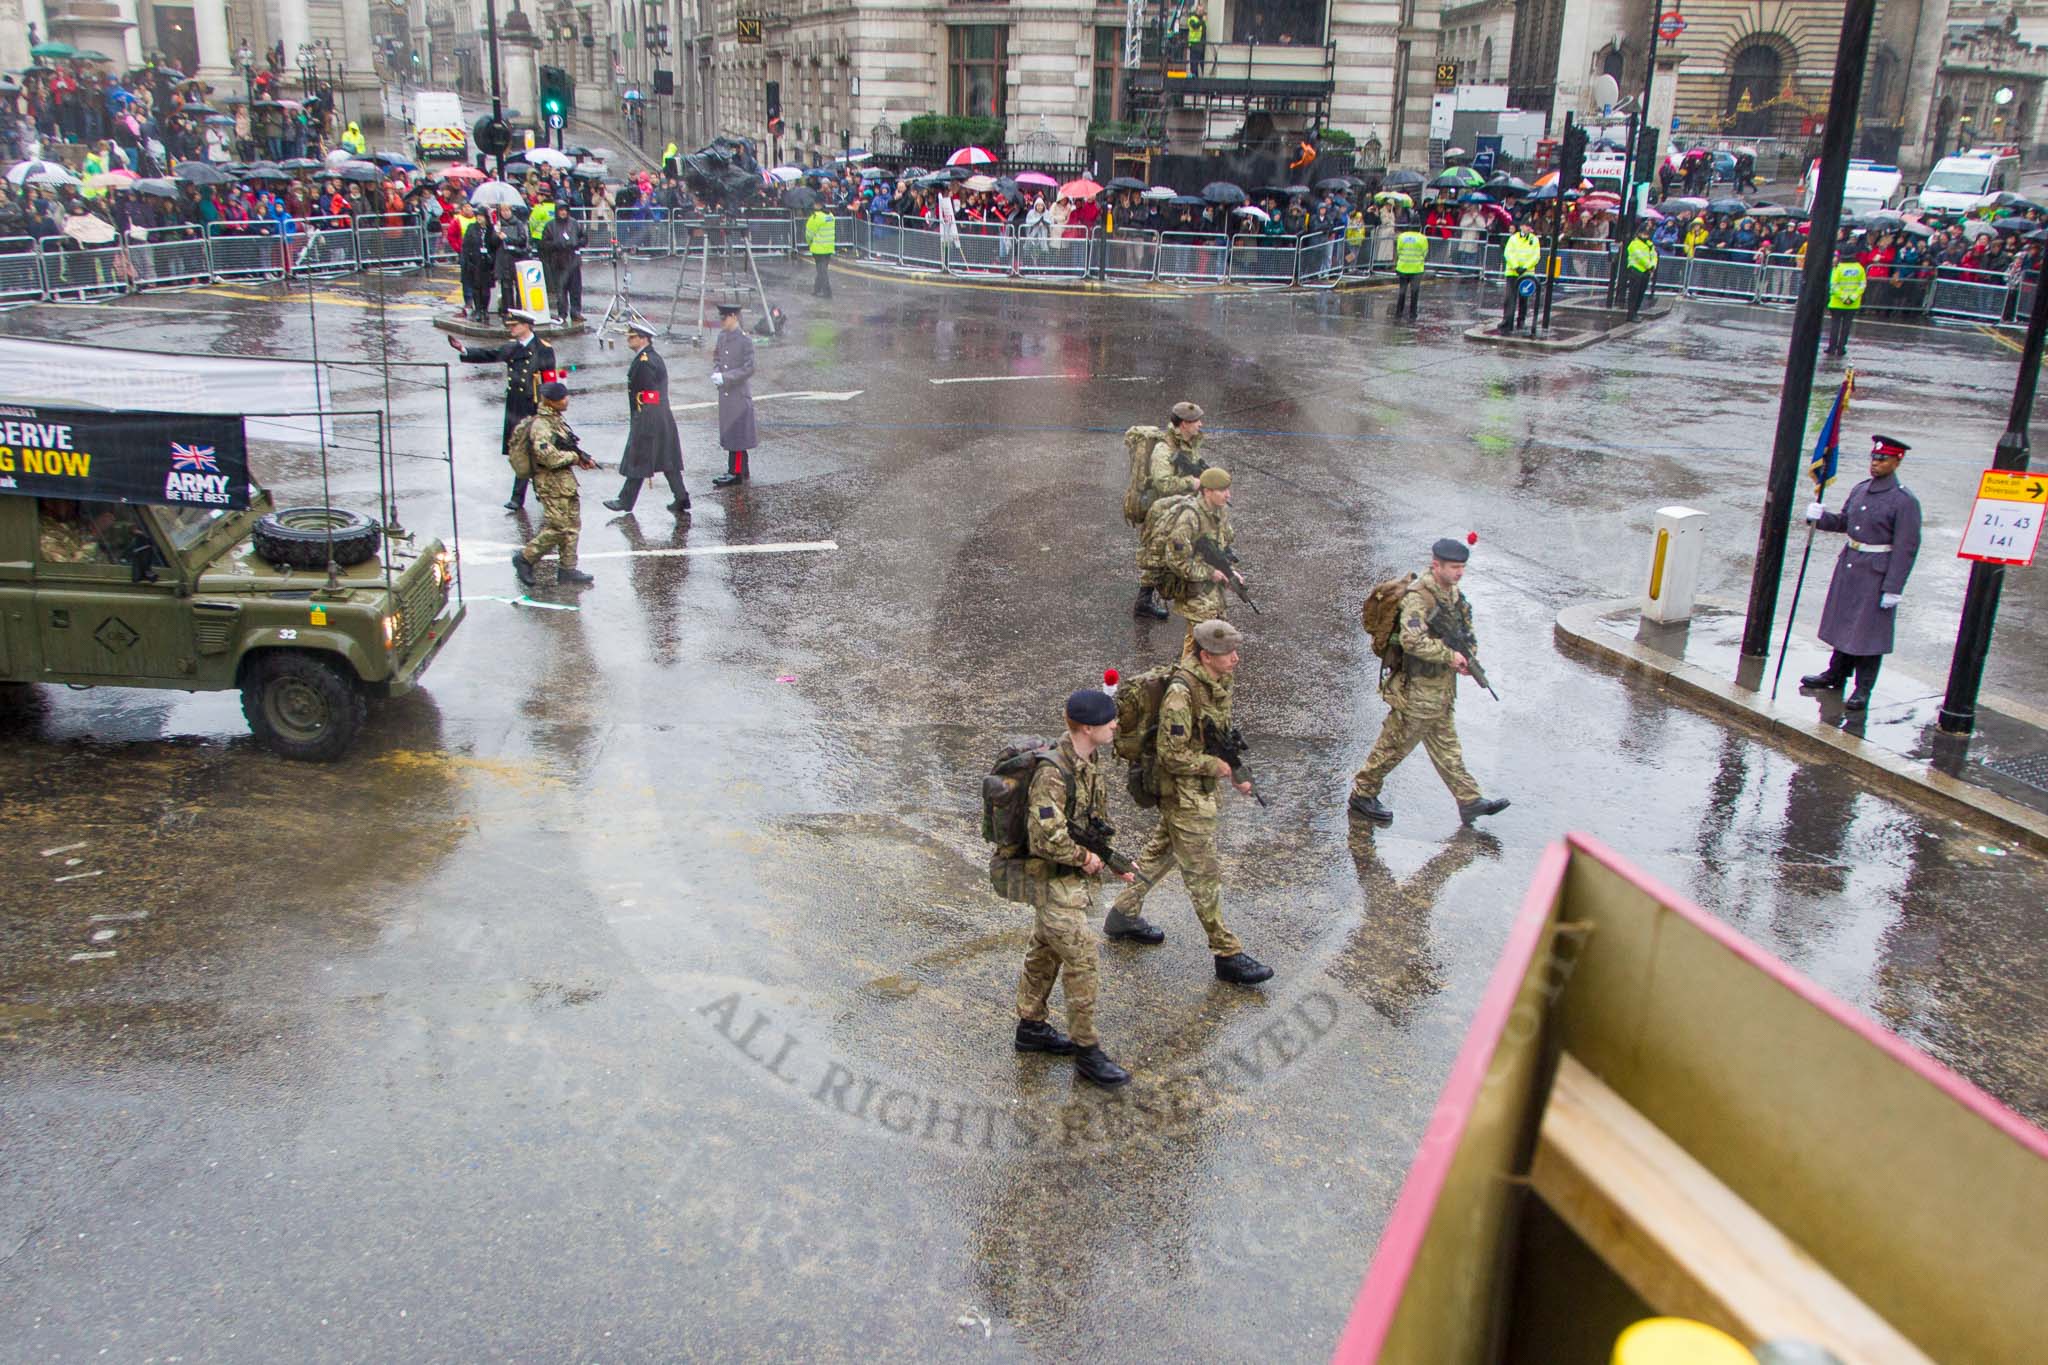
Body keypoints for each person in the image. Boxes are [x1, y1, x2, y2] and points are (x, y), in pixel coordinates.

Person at [1106, 619, 1273, 985]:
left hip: (1196, 788)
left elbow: (1216, 735)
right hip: (1182, 792)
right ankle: (1226, 952)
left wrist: (1235, 771)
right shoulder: (1181, 694)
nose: (1235, 658)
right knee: (1203, 873)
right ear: (1205, 655)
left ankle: (1122, 913)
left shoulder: (1215, 681)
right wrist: (1217, 767)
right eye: (1227, 653)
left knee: (1163, 851)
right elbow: (1170, 755)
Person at [1009, 688, 1139, 1088]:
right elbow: (1045, 838)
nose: (1116, 724)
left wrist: (1112, 860)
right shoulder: (1053, 773)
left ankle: (1031, 1028)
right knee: (1082, 960)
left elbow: (1085, 825)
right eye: (1109, 721)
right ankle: (1087, 1051)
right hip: (1051, 881)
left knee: (1046, 950)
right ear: (1087, 727)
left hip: (1069, 880)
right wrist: (1086, 859)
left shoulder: (1088, 758)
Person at [1347, 537, 1510, 827]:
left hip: (1442, 690)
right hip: (1418, 690)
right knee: (1394, 745)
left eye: (1462, 567)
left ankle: (1469, 800)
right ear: (1436, 565)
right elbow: (1412, 641)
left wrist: (1468, 658)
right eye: (1454, 567)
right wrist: (1449, 656)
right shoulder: (1418, 598)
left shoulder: (1455, 597)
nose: (1459, 573)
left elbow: (1466, 632)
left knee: (1447, 747)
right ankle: (1363, 793)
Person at [1799, 435, 1923, 711]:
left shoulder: (1904, 501)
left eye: (1883, 459)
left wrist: (1894, 587)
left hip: (1876, 572)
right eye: (1874, 458)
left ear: (1896, 461)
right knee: (1844, 625)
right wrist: (1819, 517)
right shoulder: (1861, 490)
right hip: (1851, 565)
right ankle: (1836, 674)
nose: (1876, 463)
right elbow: (1845, 522)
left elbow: (1906, 548)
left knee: (1868, 635)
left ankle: (1863, 688)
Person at [449, 309, 559, 510]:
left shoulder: (543, 349)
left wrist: (550, 407)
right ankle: (526, 495)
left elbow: (550, 380)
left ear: (526, 326)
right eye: (510, 326)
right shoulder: (512, 348)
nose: (511, 329)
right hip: (515, 404)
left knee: (534, 450)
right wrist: (464, 350)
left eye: (514, 325)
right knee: (519, 450)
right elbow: (490, 354)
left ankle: (531, 494)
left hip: (533, 404)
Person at [1143, 467, 1236, 660]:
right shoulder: (1190, 517)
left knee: (1215, 635)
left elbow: (1220, 548)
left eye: (1228, 489)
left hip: (1210, 588)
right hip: (1191, 586)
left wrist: (1231, 572)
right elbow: (1176, 560)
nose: (1228, 494)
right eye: (1222, 490)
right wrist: (1211, 573)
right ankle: (1184, 682)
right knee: (1199, 642)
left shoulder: (1220, 512)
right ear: (1207, 491)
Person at [509, 381, 596, 587]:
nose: (567, 400)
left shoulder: (556, 420)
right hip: (550, 484)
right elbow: (548, 457)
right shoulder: (541, 425)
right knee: (558, 527)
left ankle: (568, 569)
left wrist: (580, 457)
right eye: (563, 397)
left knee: (572, 526)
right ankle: (525, 558)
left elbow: (567, 446)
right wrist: (573, 458)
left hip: (565, 482)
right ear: (552, 401)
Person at [1133, 401, 1209, 620]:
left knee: (1173, 552)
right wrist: (1191, 483)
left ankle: (1150, 599)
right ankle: (1144, 602)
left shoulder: (1189, 443)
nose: (1200, 425)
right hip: (1162, 509)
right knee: (1155, 555)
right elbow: (1162, 483)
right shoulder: (1163, 449)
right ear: (1184, 424)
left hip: (1181, 506)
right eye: (1196, 421)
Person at [604, 320, 689, 515]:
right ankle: (681, 497)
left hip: (649, 416)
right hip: (659, 416)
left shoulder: (645, 361)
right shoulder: (649, 357)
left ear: (644, 339)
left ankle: (625, 501)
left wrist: (643, 419)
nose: (629, 339)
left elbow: (650, 393)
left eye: (632, 337)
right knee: (667, 460)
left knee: (640, 459)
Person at [710, 302, 758, 487]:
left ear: (734, 317)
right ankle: (741, 469)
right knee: (731, 432)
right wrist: (717, 372)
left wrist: (727, 377)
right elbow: (717, 358)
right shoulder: (722, 337)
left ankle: (735, 472)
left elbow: (749, 368)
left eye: (724, 318)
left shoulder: (745, 340)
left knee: (738, 435)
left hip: (738, 395)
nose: (722, 321)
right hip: (726, 395)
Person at [1498, 222, 1540, 333]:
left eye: (1529, 226)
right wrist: (1516, 266)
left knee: (1524, 298)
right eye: (1526, 226)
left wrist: (1525, 267)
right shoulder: (1513, 238)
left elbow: (1536, 256)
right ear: (1521, 226)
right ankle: (1507, 321)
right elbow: (1508, 253)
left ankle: (1521, 321)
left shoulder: (1534, 240)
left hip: (1526, 273)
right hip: (1512, 272)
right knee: (1509, 298)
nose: (1528, 228)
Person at [458, 203, 495, 320]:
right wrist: (467, 260)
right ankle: (478, 309)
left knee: (486, 289)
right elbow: (465, 245)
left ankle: (485, 310)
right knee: (476, 287)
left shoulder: (491, 230)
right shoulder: (471, 228)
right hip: (474, 262)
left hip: (487, 263)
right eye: (478, 216)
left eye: (481, 216)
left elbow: (494, 245)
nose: (479, 218)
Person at [1825, 252, 1866, 356]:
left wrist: (1843, 297)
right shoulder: (1860, 268)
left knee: (1835, 325)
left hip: (1837, 303)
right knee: (1847, 326)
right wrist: (1851, 298)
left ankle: (1832, 347)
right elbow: (1862, 285)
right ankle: (1841, 348)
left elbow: (1833, 285)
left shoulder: (1838, 268)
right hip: (1852, 304)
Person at [1392, 221, 1427, 320]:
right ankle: (1412, 314)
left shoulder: (1402, 236)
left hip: (1403, 268)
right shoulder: (1422, 238)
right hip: (1416, 269)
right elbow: (1424, 253)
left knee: (1402, 291)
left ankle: (1399, 313)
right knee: (1414, 292)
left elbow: (1398, 250)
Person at [1624, 221, 1657, 321]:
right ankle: (1631, 314)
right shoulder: (1634, 244)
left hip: (1645, 271)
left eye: (1647, 233)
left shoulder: (1650, 245)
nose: (1645, 235)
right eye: (1643, 233)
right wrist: (1650, 265)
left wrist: (1653, 266)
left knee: (1640, 294)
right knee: (1634, 294)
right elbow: (1639, 257)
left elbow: (1654, 255)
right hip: (1636, 271)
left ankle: (1635, 312)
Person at [804, 202, 836, 297]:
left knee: (822, 272)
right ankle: (816, 289)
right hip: (829, 248)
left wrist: (809, 243)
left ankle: (827, 292)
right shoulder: (830, 215)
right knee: (822, 270)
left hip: (819, 249)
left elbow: (809, 234)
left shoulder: (816, 217)